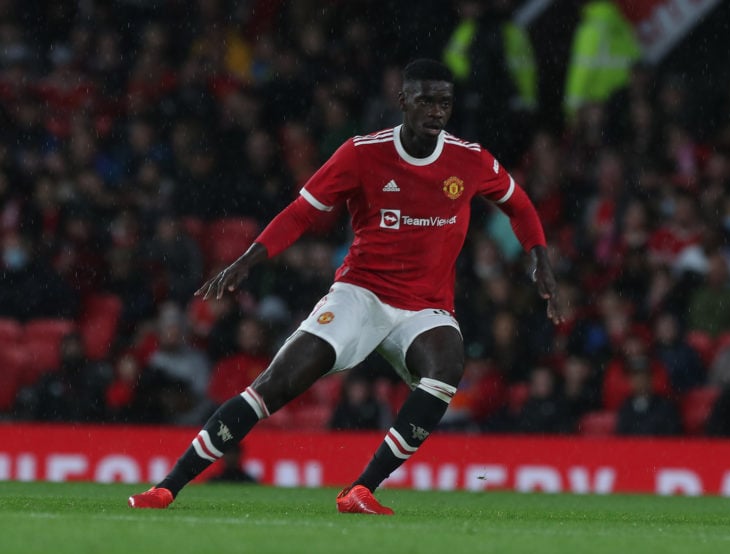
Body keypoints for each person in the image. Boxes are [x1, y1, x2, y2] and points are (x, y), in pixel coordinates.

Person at [128, 59, 561, 515]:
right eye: (427, 101)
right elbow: (301, 212)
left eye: (445, 102)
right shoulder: (361, 153)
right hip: (361, 294)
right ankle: (167, 487)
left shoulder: (470, 159)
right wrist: (249, 259)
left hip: (425, 307)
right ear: (402, 102)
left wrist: (540, 258)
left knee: (447, 366)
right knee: (276, 385)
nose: (437, 111)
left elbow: (519, 204)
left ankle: (361, 489)